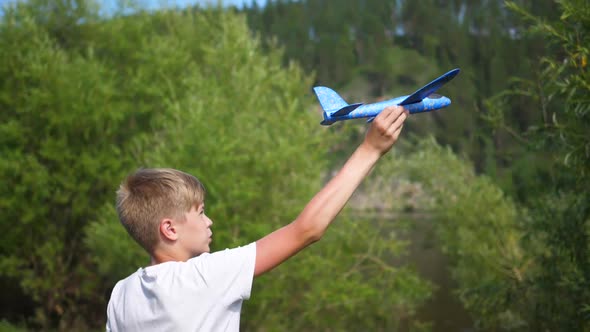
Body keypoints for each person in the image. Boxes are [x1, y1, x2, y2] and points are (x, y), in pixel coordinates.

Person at [106, 105, 409, 331]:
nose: (209, 221)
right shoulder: (204, 277)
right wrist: (370, 149)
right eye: (200, 213)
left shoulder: (121, 294)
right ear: (170, 229)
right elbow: (307, 229)